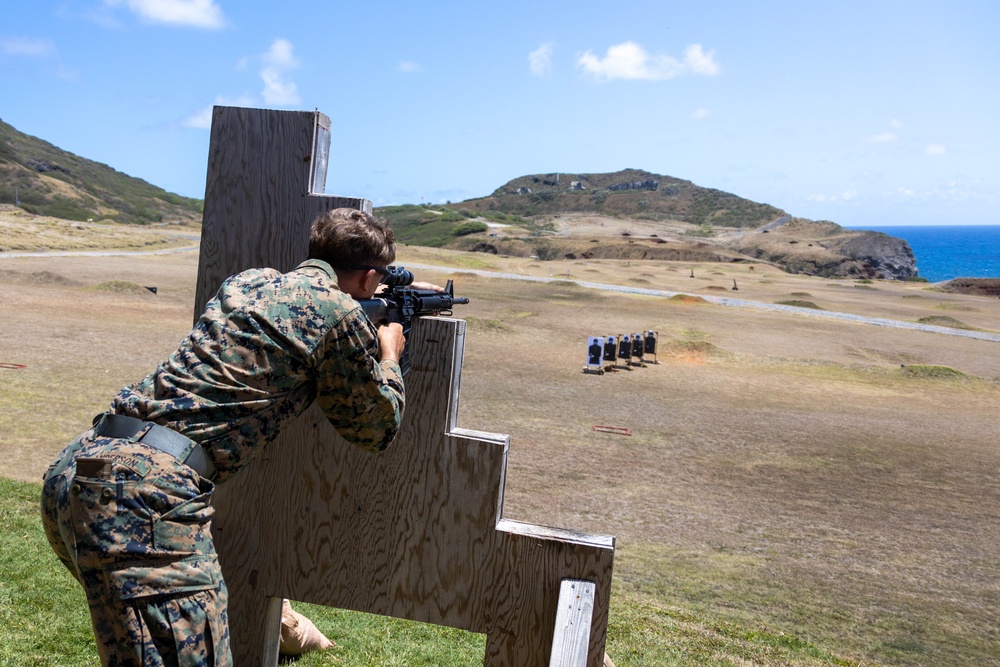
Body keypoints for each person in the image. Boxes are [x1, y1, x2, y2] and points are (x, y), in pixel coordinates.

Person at [40, 208, 425, 666]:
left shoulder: (248, 282)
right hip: (146, 498)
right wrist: (389, 355)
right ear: (369, 278)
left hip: (81, 467)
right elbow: (375, 428)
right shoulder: (341, 314)